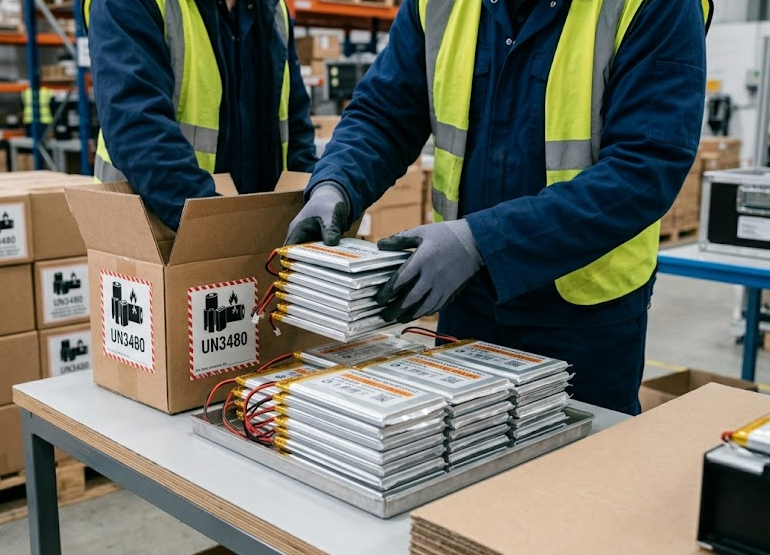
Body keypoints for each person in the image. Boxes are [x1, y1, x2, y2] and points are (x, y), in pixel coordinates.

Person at [286, 0, 713, 415]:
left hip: (585, 317)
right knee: (453, 468)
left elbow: (643, 170)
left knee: (579, 475)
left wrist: (482, 242)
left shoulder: (656, 6)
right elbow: (384, 113)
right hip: (465, 297)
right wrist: (335, 182)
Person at [85, 0, 317, 231]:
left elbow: (296, 127)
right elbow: (137, 127)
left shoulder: (273, 9)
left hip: (256, 237)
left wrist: (312, 204)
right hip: (151, 232)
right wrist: (218, 230)